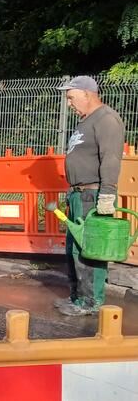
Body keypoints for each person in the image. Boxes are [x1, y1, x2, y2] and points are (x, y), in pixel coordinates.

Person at [53, 75, 126, 316]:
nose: (69, 103)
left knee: (90, 249)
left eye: (71, 97)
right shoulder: (86, 121)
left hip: (93, 195)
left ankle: (90, 302)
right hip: (79, 194)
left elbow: (111, 159)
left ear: (87, 94)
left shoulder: (106, 119)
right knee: (74, 248)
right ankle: (77, 297)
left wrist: (107, 196)